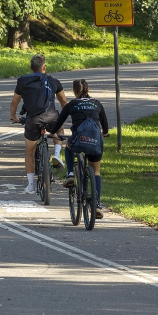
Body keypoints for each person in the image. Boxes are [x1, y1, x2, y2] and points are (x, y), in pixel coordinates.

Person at [47, 79, 110, 218]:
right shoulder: (97, 103)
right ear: (88, 90)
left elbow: (59, 121)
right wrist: (105, 133)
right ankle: (97, 204)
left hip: (79, 141)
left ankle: (70, 174)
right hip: (95, 142)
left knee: (69, 145)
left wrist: (52, 133)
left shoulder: (72, 104)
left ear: (74, 91)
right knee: (96, 171)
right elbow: (105, 125)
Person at [9, 54, 68, 194]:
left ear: (31, 68)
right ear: (44, 68)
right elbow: (64, 102)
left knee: (29, 152)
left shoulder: (23, 82)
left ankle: (30, 185)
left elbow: (14, 103)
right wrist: (65, 116)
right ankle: (57, 154)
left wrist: (14, 117)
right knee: (59, 130)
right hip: (51, 117)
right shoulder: (53, 81)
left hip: (33, 120)